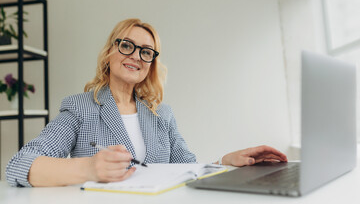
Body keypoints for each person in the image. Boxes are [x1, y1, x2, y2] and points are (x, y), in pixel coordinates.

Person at [6, 18, 287, 187]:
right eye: (127, 45)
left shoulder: (162, 115)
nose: (136, 56)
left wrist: (226, 162)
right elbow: (19, 165)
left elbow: (187, 171)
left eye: (146, 52)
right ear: (109, 53)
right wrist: (88, 169)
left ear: (151, 64)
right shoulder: (80, 107)